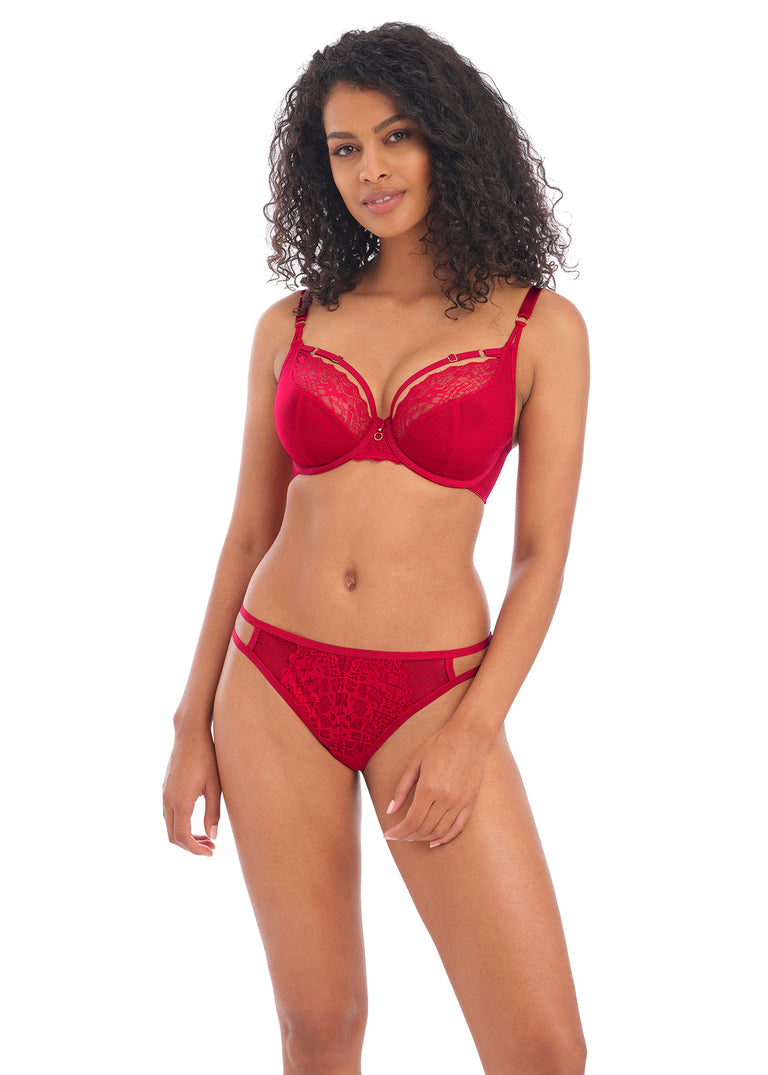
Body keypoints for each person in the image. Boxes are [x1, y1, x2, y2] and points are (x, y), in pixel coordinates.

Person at [162, 21, 589, 1075]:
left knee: (543, 1049)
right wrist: (189, 721)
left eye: (396, 137)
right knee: (320, 1025)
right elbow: (249, 531)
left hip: (433, 693)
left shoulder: (540, 327)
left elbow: (540, 555)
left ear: (450, 139)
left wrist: (474, 731)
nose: (371, 170)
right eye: (344, 148)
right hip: (272, 682)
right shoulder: (293, 322)